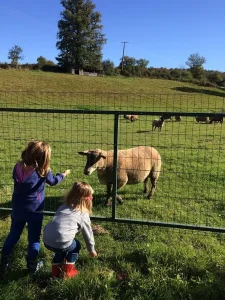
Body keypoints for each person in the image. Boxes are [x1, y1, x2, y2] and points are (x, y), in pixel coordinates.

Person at [0, 140, 70, 276]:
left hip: (18, 207)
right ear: (44, 158)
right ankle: (32, 266)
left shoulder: (18, 166)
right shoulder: (43, 171)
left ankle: (4, 261)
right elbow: (53, 181)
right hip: (35, 209)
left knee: (13, 234)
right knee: (34, 238)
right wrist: (63, 175)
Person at [43, 181, 97, 279]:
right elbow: (88, 234)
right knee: (76, 246)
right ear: (87, 200)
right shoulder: (83, 214)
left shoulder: (62, 207)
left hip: (46, 239)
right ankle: (68, 272)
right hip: (61, 241)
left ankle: (55, 273)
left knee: (60, 249)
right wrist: (91, 250)